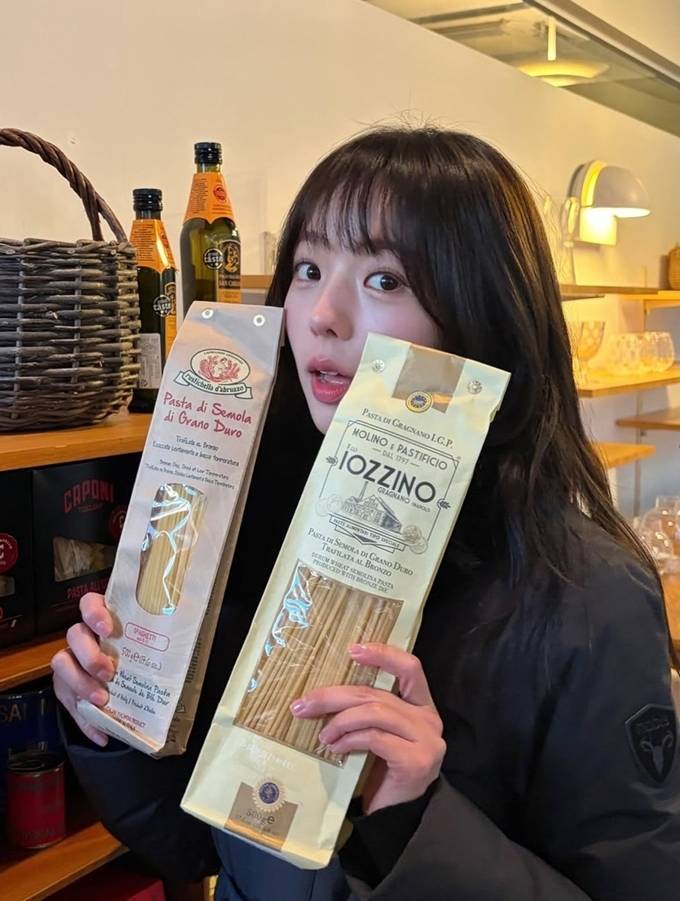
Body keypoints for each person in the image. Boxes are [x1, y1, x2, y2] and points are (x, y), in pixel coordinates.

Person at [52, 127, 680, 901]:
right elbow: (195, 846)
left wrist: (416, 816)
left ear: (486, 314)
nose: (322, 313)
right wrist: (114, 721)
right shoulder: (268, 522)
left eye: (385, 279)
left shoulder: (591, 598)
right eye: (309, 268)